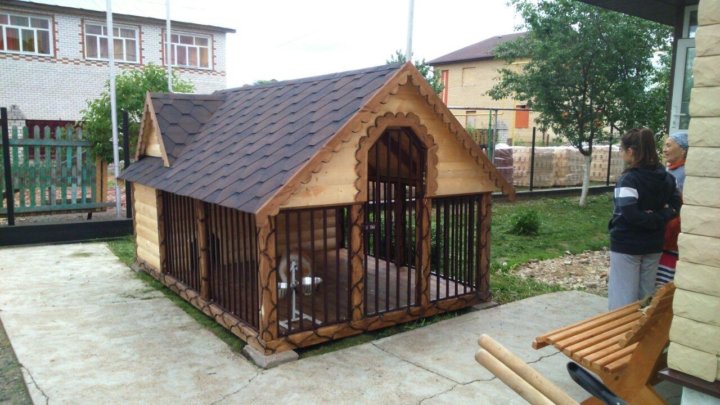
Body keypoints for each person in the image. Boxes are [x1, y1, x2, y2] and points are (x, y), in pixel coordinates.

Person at [608, 128, 681, 310]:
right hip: (654, 242)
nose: (622, 153)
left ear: (630, 151)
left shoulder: (629, 179)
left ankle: (621, 327)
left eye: (622, 149)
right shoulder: (666, 177)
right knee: (646, 293)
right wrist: (660, 216)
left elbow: (630, 214)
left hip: (627, 243)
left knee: (623, 296)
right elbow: (675, 206)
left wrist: (649, 216)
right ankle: (644, 326)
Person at [656, 131, 689, 285]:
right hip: (664, 228)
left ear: (682, 150)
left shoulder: (685, 173)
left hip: (674, 230)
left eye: (669, 145)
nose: (664, 149)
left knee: (668, 277)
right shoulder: (668, 170)